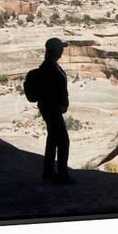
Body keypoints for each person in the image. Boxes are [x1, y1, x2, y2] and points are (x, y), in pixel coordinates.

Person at [37, 37, 75, 184]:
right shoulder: (48, 67)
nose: (62, 51)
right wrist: (58, 104)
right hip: (51, 109)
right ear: (54, 50)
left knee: (53, 138)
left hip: (52, 108)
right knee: (63, 141)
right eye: (60, 48)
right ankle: (62, 174)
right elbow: (51, 90)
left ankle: (48, 171)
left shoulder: (51, 65)